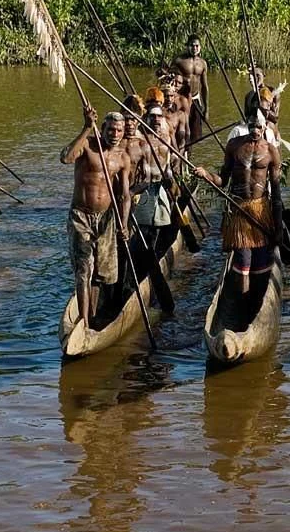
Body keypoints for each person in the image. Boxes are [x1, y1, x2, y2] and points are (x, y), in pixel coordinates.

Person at [195, 110, 283, 295]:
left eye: (259, 126)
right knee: (244, 259)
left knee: (260, 261)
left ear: (264, 126)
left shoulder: (271, 151)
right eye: (252, 126)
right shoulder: (234, 146)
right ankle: (242, 301)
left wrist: (278, 226)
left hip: (261, 210)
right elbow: (223, 180)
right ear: (247, 124)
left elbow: (276, 192)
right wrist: (207, 175)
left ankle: (256, 301)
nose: (255, 130)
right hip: (239, 209)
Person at [60, 107, 133, 327]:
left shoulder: (122, 158)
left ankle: (95, 309)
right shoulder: (89, 146)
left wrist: (124, 223)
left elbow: (124, 195)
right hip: (81, 216)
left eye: (119, 130)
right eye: (110, 130)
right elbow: (65, 158)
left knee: (103, 271)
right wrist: (85, 127)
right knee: (84, 268)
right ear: (102, 129)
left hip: (106, 218)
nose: (115, 134)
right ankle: (84, 321)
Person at [131, 106, 175, 256]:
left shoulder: (166, 138)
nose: (156, 119)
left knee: (159, 225)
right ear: (146, 118)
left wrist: (171, 180)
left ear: (163, 118)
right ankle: (141, 257)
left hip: (160, 186)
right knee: (143, 227)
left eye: (159, 116)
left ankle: (152, 255)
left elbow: (168, 163)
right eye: (152, 116)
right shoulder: (140, 139)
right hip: (144, 187)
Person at [170, 34, 208, 144]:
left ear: (200, 47)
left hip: (195, 98)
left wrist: (206, 109)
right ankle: (179, 152)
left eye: (197, 46)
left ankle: (188, 155)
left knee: (194, 134)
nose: (194, 48)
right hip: (182, 98)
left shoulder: (203, 63)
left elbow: (205, 86)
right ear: (187, 46)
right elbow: (169, 76)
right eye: (192, 45)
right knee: (181, 131)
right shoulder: (179, 60)